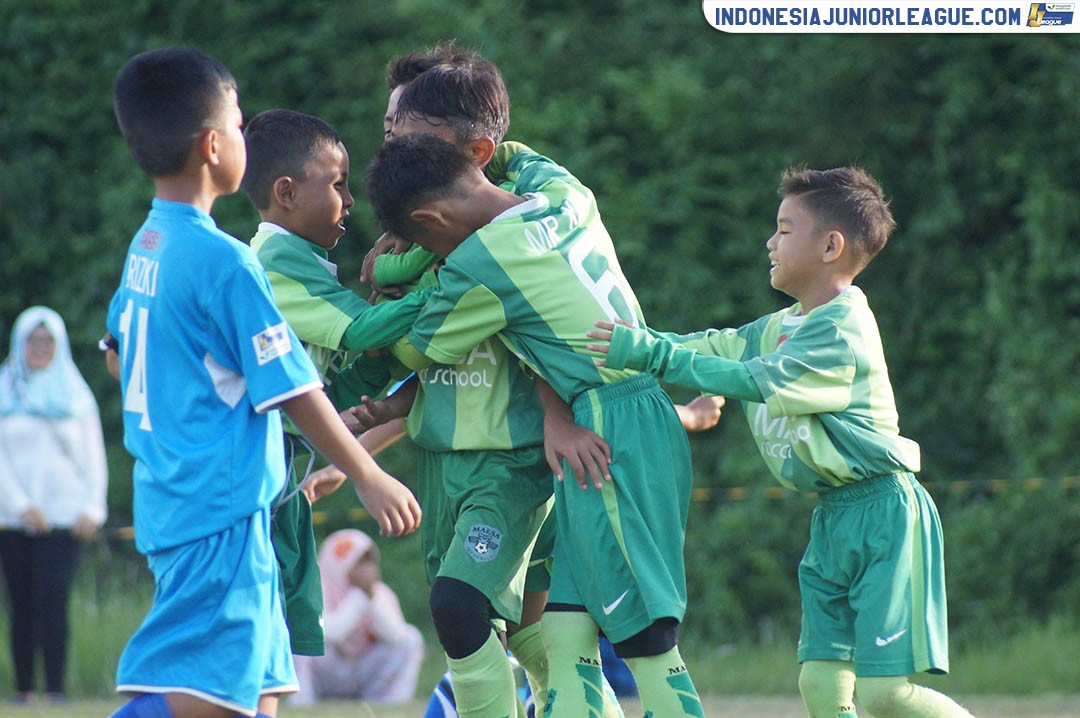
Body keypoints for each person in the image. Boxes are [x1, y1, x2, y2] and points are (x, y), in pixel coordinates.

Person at [589, 167, 976, 718]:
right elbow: (714, 347)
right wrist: (636, 340)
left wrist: (650, 354)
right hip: (832, 519)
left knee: (885, 695)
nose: (770, 241)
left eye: (784, 229)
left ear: (830, 245)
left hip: (885, 515)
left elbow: (754, 380)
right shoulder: (783, 325)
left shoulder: (841, 326)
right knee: (820, 686)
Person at [105, 46, 420, 718]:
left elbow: (117, 352)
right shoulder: (225, 261)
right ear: (213, 145)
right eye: (240, 121)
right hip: (220, 504)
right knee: (217, 699)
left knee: (265, 687)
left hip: (175, 491)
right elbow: (293, 387)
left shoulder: (149, 247)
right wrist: (365, 472)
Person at [365, 134, 705, 717]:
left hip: (613, 422)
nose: (430, 256)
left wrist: (386, 270)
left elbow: (416, 351)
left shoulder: (481, 260)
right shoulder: (560, 193)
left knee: (641, 629)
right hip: (592, 416)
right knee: (567, 624)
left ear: (428, 219)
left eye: (424, 242)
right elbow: (513, 153)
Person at [240, 107, 431, 660]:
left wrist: (384, 378)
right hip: (251, 489)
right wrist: (444, 282)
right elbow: (364, 330)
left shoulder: (306, 261)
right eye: (339, 184)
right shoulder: (274, 263)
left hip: (284, 490)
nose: (350, 201)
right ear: (286, 191)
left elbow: (334, 391)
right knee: (242, 661)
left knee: (277, 660)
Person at [0, 306, 108, 704]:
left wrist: (92, 509)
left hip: (65, 518)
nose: (40, 348)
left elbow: (94, 457)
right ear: (20, 342)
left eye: (48, 341)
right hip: (14, 520)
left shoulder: (76, 395)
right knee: (21, 604)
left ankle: (56, 691)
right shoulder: (5, 390)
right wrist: (21, 504)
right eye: (34, 340)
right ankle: (24, 689)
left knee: (53, 601)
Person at [291, 529, 423, 705]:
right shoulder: (316, 590)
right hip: (325, 670)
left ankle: (388, 704)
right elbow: (328, 633)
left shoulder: (379, 593)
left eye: (369, 562)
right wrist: (358, 599)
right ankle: (302, 703)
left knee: (412, 638)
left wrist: (370, 598)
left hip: (362, 670)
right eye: (358, 562)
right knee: (300, 636)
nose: (366, 570)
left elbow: (396, 636)